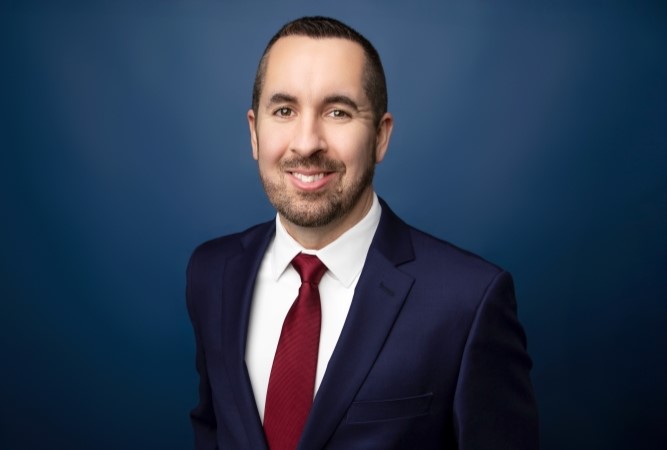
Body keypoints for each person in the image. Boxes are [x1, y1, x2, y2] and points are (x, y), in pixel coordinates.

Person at [186, 16, 538, 450]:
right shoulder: (212, 273)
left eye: (338, 112)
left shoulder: (469, 302)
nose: (307, 142)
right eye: (284, 110)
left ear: (380, 137)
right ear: (254, 132)